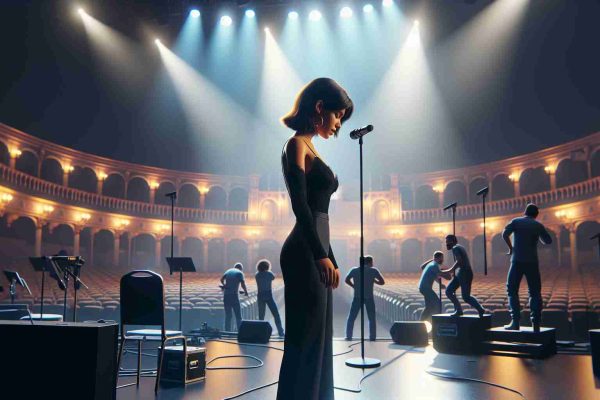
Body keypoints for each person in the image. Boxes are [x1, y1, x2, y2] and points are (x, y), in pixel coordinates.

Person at [278, 77, 353, 400]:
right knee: (305, 337)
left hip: (317, 247)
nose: (338, 124)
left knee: (321, 337)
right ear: (320, 108)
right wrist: (320, 254)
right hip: (302, 251)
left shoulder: (311, 148)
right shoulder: (295, 145)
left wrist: (330, 256)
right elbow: (301, 206)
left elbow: (322, 217)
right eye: (338, 115)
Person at [502, 203, 552, 332]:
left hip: (517, 260)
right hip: (532, 262)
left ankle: (515, 322)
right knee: (535, 292)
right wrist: (537, 234)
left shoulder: (516, 221)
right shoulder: (538, 225)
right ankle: (536, 324)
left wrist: (511, 248)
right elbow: (548, 241)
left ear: (525, 211)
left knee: (512, 291)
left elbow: (504, 234)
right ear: (536, 215)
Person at [444, 234, 487, 317]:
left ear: (452, 241)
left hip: (465, 274)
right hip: (461, 273)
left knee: (466, 297)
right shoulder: (459, 247)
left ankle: (480, 309)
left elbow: (459, 261)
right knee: (449, 291)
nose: (446, 244)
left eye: (447, 242)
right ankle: (459, 310)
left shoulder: (455, 248)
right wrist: (455, 272)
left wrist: (450, 270)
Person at [344, 255, 385, 341]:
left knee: (352, 317)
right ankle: (372, 337)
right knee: (371, 318)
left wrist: (354, 286)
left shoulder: (354, 270)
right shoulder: (373, 270)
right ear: (370, 262)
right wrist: (374, 281)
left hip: (357, 296)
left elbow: (346, 280)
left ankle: (349, 336)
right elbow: (382, 282)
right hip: (369, 297)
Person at [418, 251, 452, 322]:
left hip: (423, 287)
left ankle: (421, 321)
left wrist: (440, 284)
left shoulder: (432, 264)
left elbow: (434, 276)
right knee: (437, 303)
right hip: (425, 288)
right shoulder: (434, 265)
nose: (442, 260)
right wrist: (448, 272)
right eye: (441, 258)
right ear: (438, 258)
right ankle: (436, 321)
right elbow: (441, 274)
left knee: (429, 307)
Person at [255, 259, 284, 337]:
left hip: (260, 296)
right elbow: (273, 277)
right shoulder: (269, 274)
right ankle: (280, 332)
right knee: (276, 314)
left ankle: (259, 333)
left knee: (261, 316)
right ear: (267, 266)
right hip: (268, 296)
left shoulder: (257, 275)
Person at [220, 263, 248, 332]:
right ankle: (240, 331)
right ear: (241, 269)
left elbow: (221, 279)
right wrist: (246, 292)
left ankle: (227, 332)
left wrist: (224, 285)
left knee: (228, 316)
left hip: (226, 296)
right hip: (234, 296)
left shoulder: (228, 271)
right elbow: (242, 283)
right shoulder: (239, 273)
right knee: (238, 316)